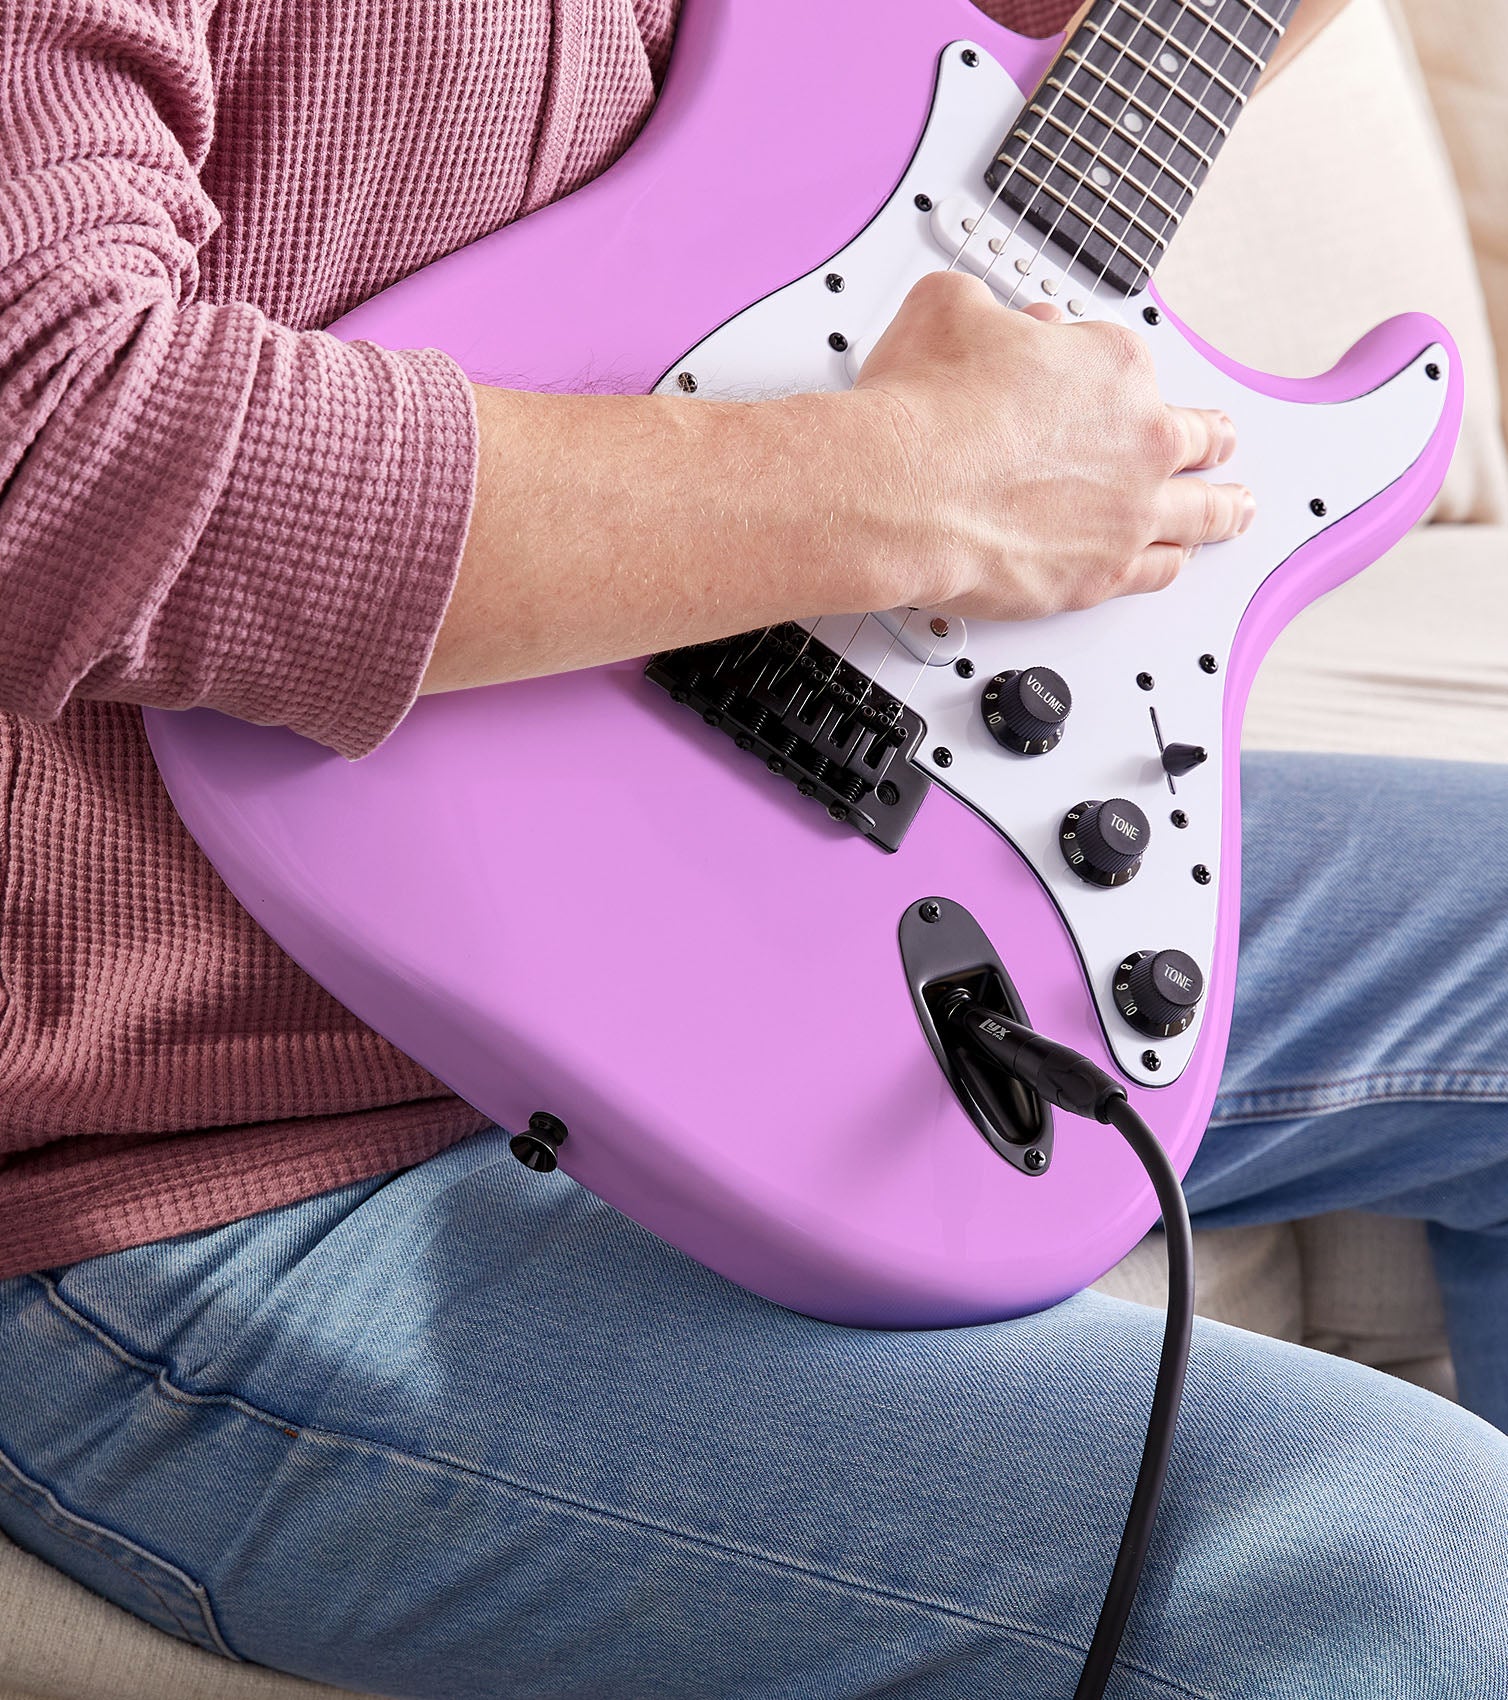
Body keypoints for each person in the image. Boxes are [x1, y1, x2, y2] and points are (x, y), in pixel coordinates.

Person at [1, 0, 1506, 1695]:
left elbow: (1023, 53)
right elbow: (56, 440)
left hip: (823, 843)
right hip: (218, 1162)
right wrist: (910, 476)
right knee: (1393, 1560)